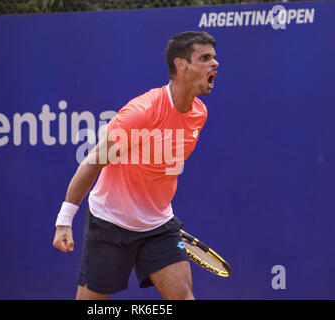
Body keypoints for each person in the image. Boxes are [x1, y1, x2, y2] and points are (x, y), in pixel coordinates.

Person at [52, 31, 219, 300]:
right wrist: (63, 221)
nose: (215, 63)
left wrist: (150, 208)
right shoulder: (142, 112)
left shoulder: (199, 114)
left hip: (158, 225)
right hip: (110, 222)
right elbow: (93, 161)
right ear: (181, 64)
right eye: (205, 58)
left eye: (214, 57)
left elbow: (163, 168)